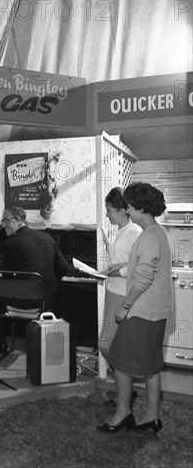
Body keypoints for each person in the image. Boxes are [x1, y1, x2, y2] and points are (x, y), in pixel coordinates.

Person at [97, 182, 172, 434]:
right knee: (151, 366)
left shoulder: (148, 235)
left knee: (118, 361)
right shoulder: (159, 232)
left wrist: (124, 307)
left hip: (141, 311)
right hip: (157, 312)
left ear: (139, 207)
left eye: (129, 204)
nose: (126, 208)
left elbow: (143, 278)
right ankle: (151, 416)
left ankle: (123, 413)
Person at [0, 206, 70, 351]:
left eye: (6, 220)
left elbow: (5, 274)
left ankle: (0, 342)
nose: (2, 224)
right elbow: (63, 268)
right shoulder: (48, 238)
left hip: (23, 303)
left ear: (18, 221)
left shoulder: (11, 243)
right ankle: (36, 339)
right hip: (46, 302)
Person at [99, 187, 142, 407]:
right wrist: (109, 248)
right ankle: (124, 393)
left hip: (122, 294)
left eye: (109, 210)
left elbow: (139, 265)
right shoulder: (123, 230)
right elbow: (124, 258)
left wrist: (117, 270)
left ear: (123, 210)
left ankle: (126, 394)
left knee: (107, 346)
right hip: (112, 291)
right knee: (111, 346)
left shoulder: (134, 231)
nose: (107, 214)